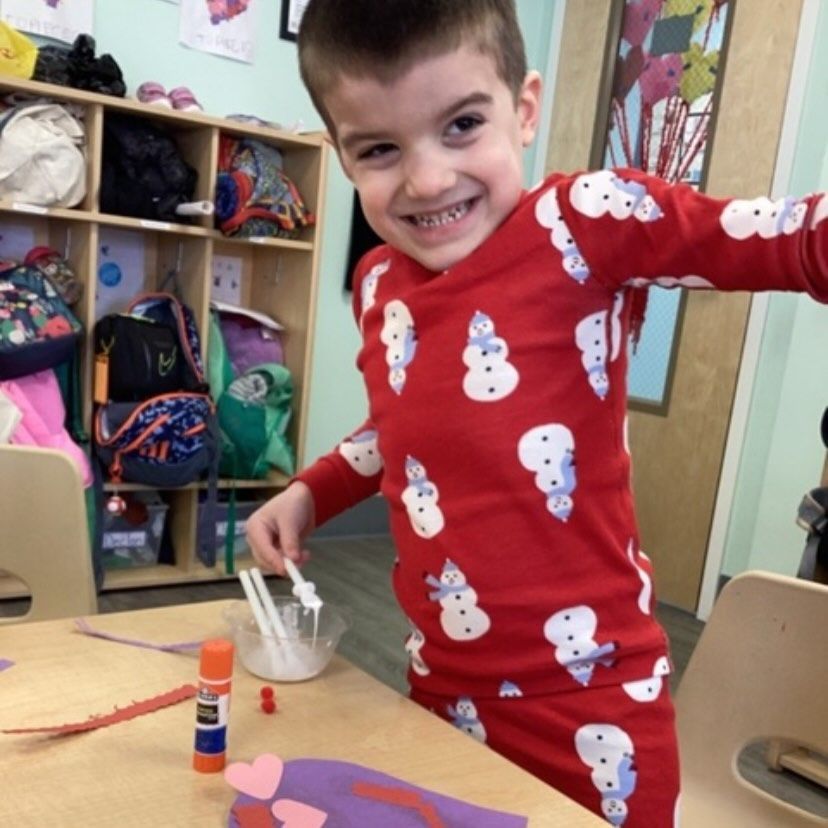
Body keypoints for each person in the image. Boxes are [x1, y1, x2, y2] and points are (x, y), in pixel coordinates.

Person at [247, 1, 828, 824]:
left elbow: (779, 236)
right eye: (379, 149)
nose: (427, 179)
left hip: (594, 701)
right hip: (438, 689)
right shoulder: (378, 285)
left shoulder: (583, 221)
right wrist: (311, 491)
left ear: (523, 108)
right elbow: (403, 429)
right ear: (342, 156)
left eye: (461, 125)